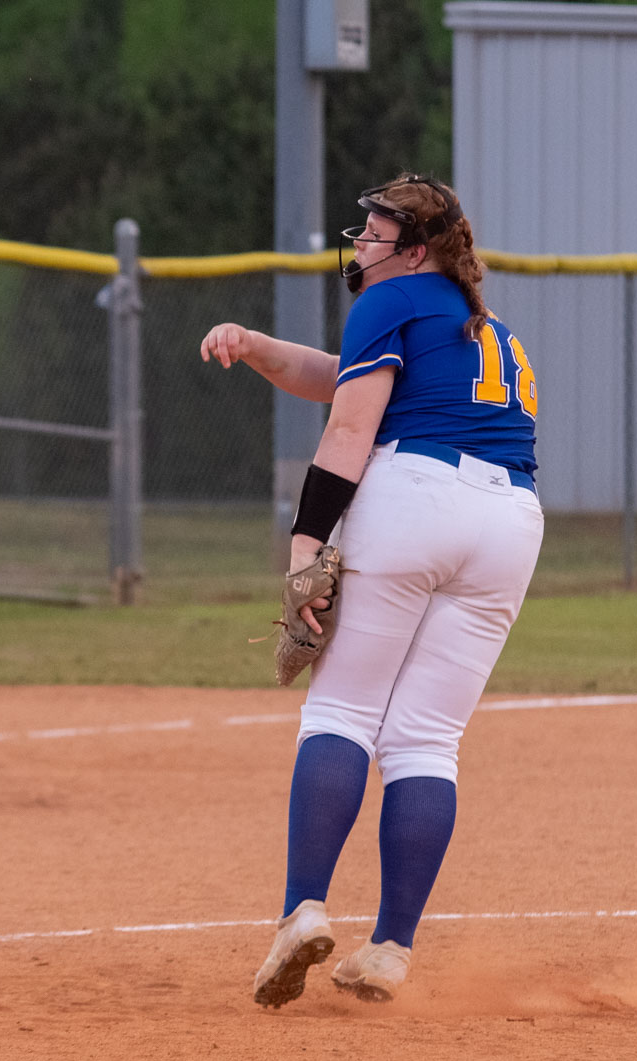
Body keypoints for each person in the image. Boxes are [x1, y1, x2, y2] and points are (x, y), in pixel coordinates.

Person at [200, 174, 543, 1005]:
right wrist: (257, 345)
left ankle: (301, 912)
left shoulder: (391, 300)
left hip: (415, 496)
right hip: (510, 523)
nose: (362, 244)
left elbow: (352, 425)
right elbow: (341, 376)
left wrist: (304, 548)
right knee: (426, 739)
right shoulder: (480, 323)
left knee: (342, 712)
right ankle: (389, 949)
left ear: (415, 250)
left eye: (377, 232)